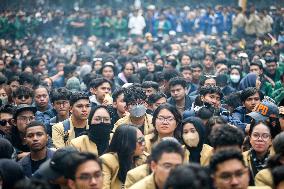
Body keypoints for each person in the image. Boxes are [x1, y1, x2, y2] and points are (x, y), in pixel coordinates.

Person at [100, 125, 146, 189]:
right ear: (126, 142)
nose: (143, 144)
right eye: (140, 140)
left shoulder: (143, 159)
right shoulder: (107, 161)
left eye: (144, 139)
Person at [242, 120, 273, 184]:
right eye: (256, 135)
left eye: (265, 136)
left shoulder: (277, 161)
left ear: (270, 140)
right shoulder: (241, 159)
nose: (260, 139)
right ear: (250, 138)